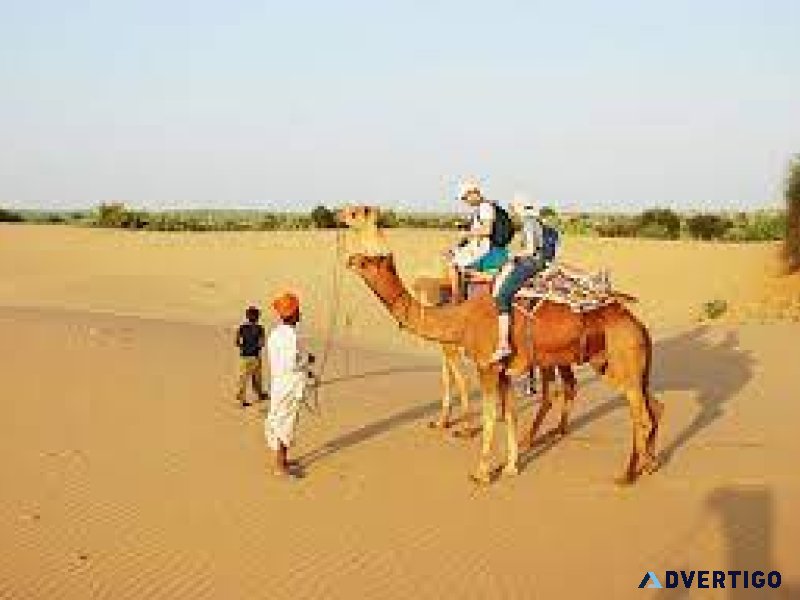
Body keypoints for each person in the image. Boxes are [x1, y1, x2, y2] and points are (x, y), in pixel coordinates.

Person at [489, 193, 551, 363]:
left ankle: (503, 344)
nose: (512, 211)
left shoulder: (529, 223)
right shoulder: (534, 221)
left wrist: (513, 256)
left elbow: (530, 251)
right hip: (536, 262)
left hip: (531, 264)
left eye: (513, 207)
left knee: (502, 297)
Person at [266, 292, 314, 476]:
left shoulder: (276, 334)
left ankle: (283, 460)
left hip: (280, 383)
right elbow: (292, 363)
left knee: (280, 420)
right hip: (288, 385)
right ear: (293, 314)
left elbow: (281, 361)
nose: (300, 314)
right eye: (298, 311)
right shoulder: (290, 337)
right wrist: (307, 359)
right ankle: (281, 466)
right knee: (286, 423)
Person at [444, 178, 511, 303]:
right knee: (453, 257)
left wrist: (468, 233)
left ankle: (456, 300)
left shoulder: (485, 207)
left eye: (465, 198)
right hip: (484, 248)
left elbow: (487, 230)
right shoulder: (482, 208)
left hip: (487, 251)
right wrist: (457, 247)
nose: (465, 201)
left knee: (453, 264)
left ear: (473, 193)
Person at [235, 306, 266, 407]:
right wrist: (256, 347)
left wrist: (243, 347)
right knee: (256, 377)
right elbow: (262, 343)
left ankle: (242, 398)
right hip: (255, 356)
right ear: (257, 317)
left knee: (243, 378)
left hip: (244, 356)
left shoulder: (242, 327)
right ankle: (259, 394)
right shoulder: (260, 328)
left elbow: (236, 341)